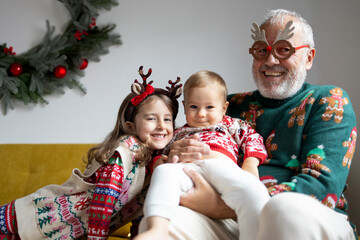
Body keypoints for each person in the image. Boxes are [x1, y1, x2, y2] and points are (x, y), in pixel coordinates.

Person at [154, 9, 357, 240]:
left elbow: (320, 188)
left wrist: (222, 205)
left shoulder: (328, 100)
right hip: (233, 219)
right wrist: (175, 153)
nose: (270, 60)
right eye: (262, 50)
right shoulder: (228, 105)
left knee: (283, 209)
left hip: (309, 215)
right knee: (168, 221)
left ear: (308, 57)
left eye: (284, 49)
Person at [0, 66, 182, 240]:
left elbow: (143, 212)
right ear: (131, 126)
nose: (161, 126)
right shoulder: (124, 153)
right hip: (31, 218)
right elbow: (102, 205)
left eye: (167, 119)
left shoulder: (154, 162)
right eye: (151, 118)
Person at [135, 70, 269, 240]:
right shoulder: (178, 133)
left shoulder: (231, 124)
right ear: (184, 106)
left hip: (221, 167)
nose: (201, 114)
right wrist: (158, 163)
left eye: (209, 107)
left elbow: (253, 138)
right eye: (193, 107)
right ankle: (157, 229)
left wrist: (250, 164)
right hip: (187, 169)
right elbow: (160, 151)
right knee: (164, 173)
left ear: (224, 108)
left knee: (254, 190)